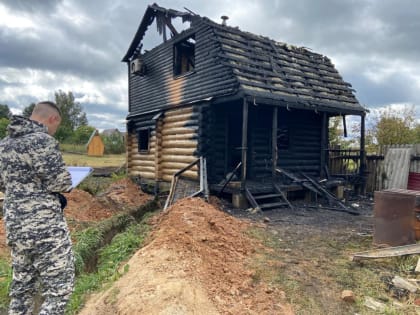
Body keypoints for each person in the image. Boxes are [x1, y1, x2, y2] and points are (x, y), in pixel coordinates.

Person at [0, 101, 74, 315]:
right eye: (56, 127)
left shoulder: (4, 144)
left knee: (22, 289)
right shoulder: (43, 141)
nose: (54, 131)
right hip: (45, 227)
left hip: (15, 225)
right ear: (53, 119)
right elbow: (61, 182)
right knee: (59, 289)